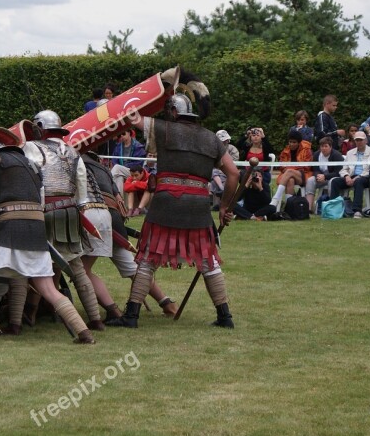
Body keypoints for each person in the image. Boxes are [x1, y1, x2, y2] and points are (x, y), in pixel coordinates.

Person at [108, 73, 240, 330]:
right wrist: (225, 206)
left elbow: (131, 115)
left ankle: (132, 315)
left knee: (147, 258)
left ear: (171, 111)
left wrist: (156, 94)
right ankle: (225, 316)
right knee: (207, 260)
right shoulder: (212, 138)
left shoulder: (162, 128)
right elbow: (234, 174)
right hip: (198, 206)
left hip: (166, 203)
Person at [0, 130, 95, 343]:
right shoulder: (33, 166)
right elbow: (41, 199)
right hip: (36, 228)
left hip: (8, 226)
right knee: (48, 288)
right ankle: (84, 333)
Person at [23, 110, 101, 333]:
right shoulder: (73, 151)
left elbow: (32, 179)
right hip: (70, 212)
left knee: (37, 266)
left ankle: (25, 316)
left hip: (45, 212)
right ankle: (95, 319)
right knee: (76, 268)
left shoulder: (31, 147)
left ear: (40, 126)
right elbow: (82, 191)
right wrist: (77, 207)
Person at [79, 151, 177, 320]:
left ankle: (113, 311)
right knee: (132, 268)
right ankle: (166, 302)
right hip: (113, 220)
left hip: (93, 217)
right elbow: (119, 200)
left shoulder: (77, 163)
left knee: (82, 270)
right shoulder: (103, 169)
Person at [329, 131, 370, 218]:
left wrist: (357, 177)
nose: (359, 142)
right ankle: (334, 208)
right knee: (335, 181)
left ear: (366, 140)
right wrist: (346, 176)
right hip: (351, 176)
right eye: (357, 140)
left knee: (358, 181)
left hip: (365, 177)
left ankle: (357, 210)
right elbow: (343, 169)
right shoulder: (350, 153)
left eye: (361, 140)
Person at [270, 130, 313, 210]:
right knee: (290, 180)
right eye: (290, 142)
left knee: (289, 171)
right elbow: (281, 166)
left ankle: (275, 198)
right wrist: (290, 169)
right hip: (287, 175)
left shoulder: (306, 150)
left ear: (299, 142)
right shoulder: (285, 151)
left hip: (303, 175)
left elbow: (307, 167)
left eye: (294, 142)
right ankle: (288, 207)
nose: (291, 144)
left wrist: (291, 168)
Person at [305, 136, 343, 212]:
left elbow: (338, 172)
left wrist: (325, 176)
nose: (324, 148)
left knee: (333, 181)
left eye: (326, 146)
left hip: (332, 177)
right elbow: (315, 169)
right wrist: (318, 176)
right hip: (320, 177)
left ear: (330, 147)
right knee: (310, 180)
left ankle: (330, 207)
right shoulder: (316, 155)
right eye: (322, 146)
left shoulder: (336, 155)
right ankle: (308, 208)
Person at [110, 129, 146, 197]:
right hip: (121, 171)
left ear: (129, 133)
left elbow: (139, 163)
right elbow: (114, 160)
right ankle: (120, 201)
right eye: (119, 135)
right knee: (119, 177)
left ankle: (109, 180)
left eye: (123, 133)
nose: (121, 136)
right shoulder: (118, 146)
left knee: (117, 168)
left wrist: (124, 166)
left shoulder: (138, 146)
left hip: (134, 172)